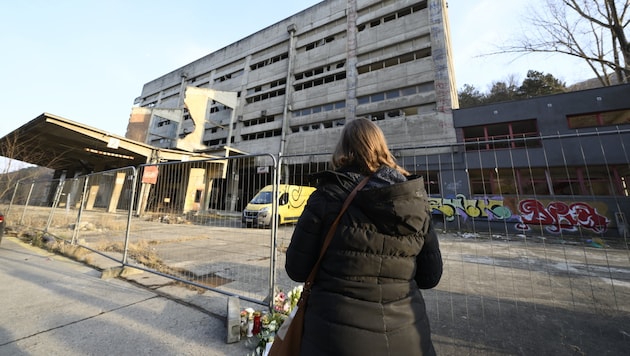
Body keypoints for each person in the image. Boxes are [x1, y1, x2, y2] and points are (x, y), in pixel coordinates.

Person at [285, 118, 443, 356]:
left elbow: (296, 269)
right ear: (382, 147)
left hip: (334, 337)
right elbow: (430, 276)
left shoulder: (326, 196)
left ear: (343, 149)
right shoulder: (414, 200)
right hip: (408, 338)